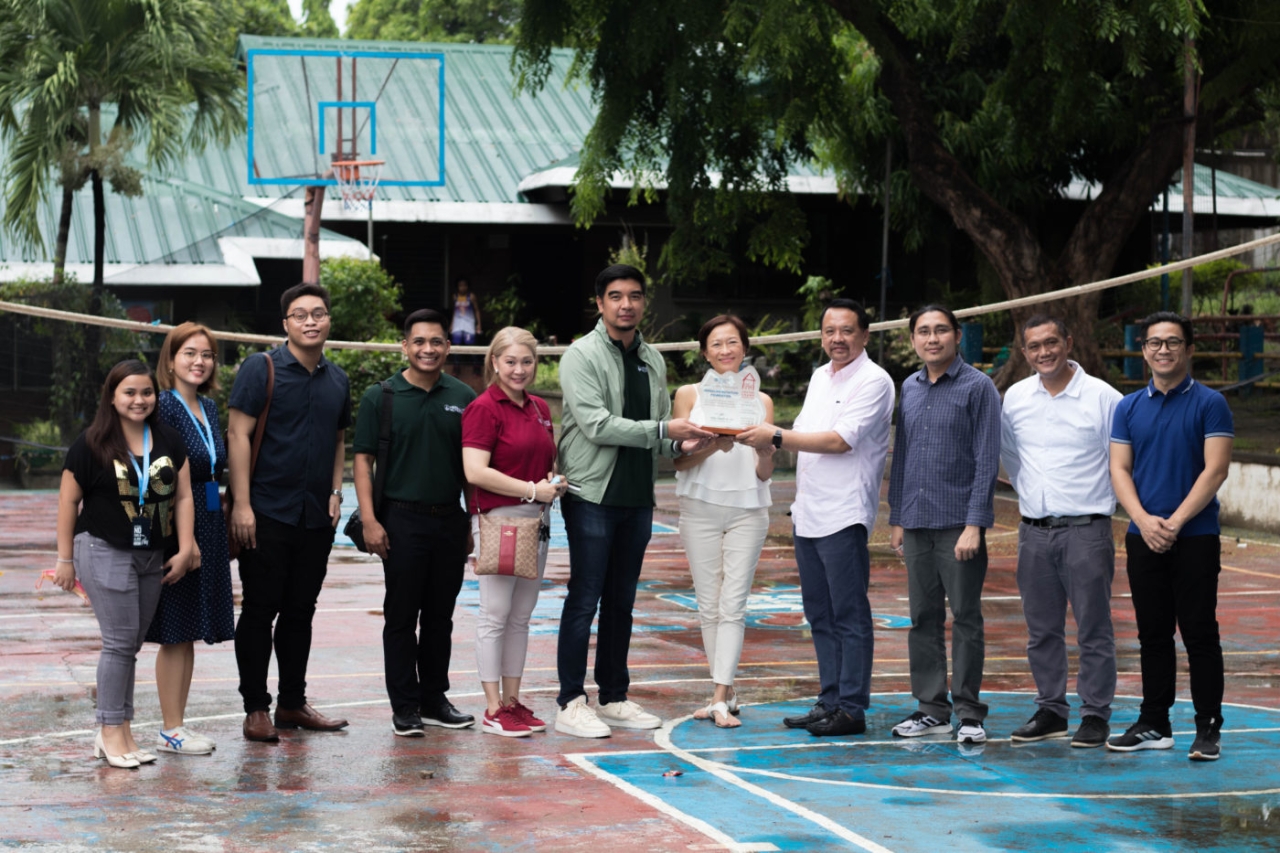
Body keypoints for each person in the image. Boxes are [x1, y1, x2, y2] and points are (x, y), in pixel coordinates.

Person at [554, 263, 715, 738]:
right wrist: (665, 432)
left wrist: (686, 444)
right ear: (600, 302)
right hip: (591, 493)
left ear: (644, 302)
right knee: (585, 599)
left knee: (622, 602)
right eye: (616, 296)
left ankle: (615, 697)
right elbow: (597, 425)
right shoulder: (580, 356)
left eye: (636, 296)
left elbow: (662, 428)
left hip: (636, 497)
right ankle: (570, 701)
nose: (627, 304)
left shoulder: (652, 359)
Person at [739, 299, 894, 737]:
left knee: (849, 614)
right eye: (829, 331)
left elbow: (840, 440)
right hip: (808, 512)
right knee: (819, 616)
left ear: (865, 335)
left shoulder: (875, 381)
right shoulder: (819, 377)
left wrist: (775, 435)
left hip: (844, 513)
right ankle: (829, 700)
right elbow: (802, 435)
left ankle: (851, 708)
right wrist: (771, 442)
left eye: (847, 331)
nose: (837, 339)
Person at [53, 360, 196, 768]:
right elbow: (68, 500)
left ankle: (121, 730)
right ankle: (111, 730)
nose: (139, 400)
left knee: (130, 644)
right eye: (129, 392)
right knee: (119, 644)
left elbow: (183, 497)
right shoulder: (92, 442)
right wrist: (65, 559)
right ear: (112, 397)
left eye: (146, 392)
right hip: (102, 547)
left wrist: (185, 548)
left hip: (152, 554)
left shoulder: (168, 438)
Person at [228, 282, 352, 743]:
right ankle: (255, 708)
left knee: (301, 612)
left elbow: (339, 439)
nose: (310, 321)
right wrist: (242, 503)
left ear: (328, 321)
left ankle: (292, 704)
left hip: (316, 517)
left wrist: (338, 490)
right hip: (266, 512)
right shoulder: (260, 370)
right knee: (261, 610)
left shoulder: (337, 380)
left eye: (318, 313)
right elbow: (238, 435)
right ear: (285, 324)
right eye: (300, 315)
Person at [1106, 312, 1232, 760]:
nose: (1163, 350)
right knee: (1152, 634)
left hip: (1194, 535)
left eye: (1173, 342)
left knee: (1199, 633)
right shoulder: (1128, 407)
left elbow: (1215, 469)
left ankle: (1207, 727)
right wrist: (1142, 519)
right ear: (1143, 351)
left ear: (1189, 349)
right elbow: (1120, 469)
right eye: (1155, 343)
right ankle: (1154, 722)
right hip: (1144, 536)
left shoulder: (1210, 403)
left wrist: (1174, 522)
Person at [352, 309, 478, 736]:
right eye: (419, 341)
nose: (428, 349)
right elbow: (362, 460)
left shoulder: (463, 396)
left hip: (449, 521)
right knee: (402, 616)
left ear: (448, 345)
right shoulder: (381, 396)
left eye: (437, 341)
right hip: (401, 520)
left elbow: (471, 468)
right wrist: (370, 520)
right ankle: (404, 705)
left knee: (441, 616)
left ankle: (433, 699)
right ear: (404, 346)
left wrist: (471, 524)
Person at [1000, 315, 1122, 749]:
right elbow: (1010, 457)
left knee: (1093, 626)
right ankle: (1051, 710)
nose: (1044, 352)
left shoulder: (1103, 397)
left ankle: (1095, 714)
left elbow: (1122, 458)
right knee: (1042, 629)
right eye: (1034, 347)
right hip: (1034, 532)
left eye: (1051, 342)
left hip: (1087, 530)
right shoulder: (1014, 398)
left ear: (1069, 342)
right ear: (1024, 352)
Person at [887, 305, 1001, 744]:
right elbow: (903, 456)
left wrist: (975, 524)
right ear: (912, 339)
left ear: (957, 335)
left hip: (958, 524)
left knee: (966, 617)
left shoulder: (978, 387)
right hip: (915, 523)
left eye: (940, 331)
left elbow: (986, 459)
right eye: (922, 332)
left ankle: (969, 712)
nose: (931, 339)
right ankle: (931, 708)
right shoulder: (910, 387)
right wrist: (897, 517)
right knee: (922, 617)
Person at [462, 326, 568, 737]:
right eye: (510, 361)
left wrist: (551, 483)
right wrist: (530, 490)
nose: (519, 369)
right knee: (495, 615)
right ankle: (492, 709)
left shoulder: (539, 407)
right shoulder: (484, 408)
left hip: (535, 522)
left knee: (521, 618)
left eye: (527, 361)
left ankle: (511, 701)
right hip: (499, 520)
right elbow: (475, 471)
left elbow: (543, 460)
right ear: (494, 362)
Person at [673, 316, 775, 728]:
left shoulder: (761, 401)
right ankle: (727, 690)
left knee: (733, 602)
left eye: (733, 342)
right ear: (704, 351)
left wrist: (766, 449)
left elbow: (764, 470)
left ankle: (718, 696)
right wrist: (712, 445)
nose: (725, 350)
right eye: (716, 344)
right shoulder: (688, 395)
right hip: (698, 506)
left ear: (744, 348)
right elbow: (677, 461)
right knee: (709, 604)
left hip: (749, 508)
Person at [147, 323, 236, 755]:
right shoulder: (161, 406)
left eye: (207, 354)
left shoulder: (209, 407)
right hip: (179, 523)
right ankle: (169, 728)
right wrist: (183, 540)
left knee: (191, 630)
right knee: (175, 629)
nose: (199, 361)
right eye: (189, 353)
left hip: (210, 518)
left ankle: (177, 725)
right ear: (170, 359)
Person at [451, 277, 482, 346]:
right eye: (460, 286)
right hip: (457, 324)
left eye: (464, 285)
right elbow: (454, 311)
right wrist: (452, 324)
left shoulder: (471, 297)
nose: (463, 287)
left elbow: (477, 310)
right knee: (456, 345)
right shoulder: (455, 297)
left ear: (467, 286)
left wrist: (479, 324)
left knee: (470, 344)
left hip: (469, 324)